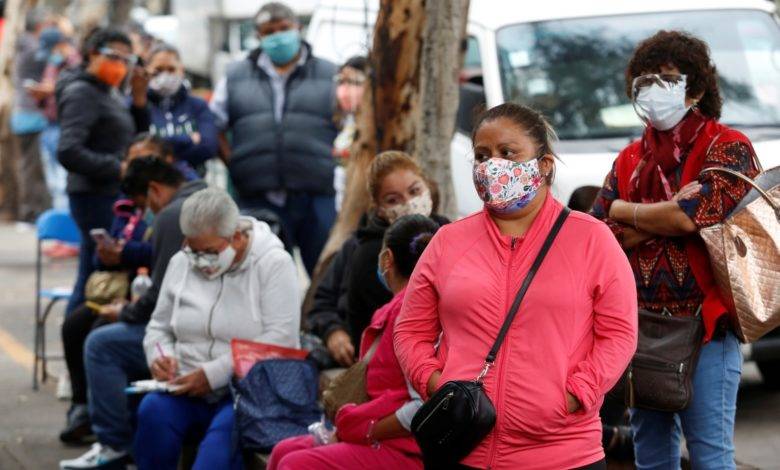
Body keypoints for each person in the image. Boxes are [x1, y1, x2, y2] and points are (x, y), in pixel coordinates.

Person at [394, 103, 638, 469]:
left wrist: (574, 394)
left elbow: (619, 334)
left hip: (565, 455)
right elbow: (410, 331)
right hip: (464, 449)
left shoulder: (591, 239)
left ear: (544, 165)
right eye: (482, 155)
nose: (493, 165)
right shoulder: (448, 242)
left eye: (508, 152)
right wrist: (435, 383)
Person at [590, 31, 760, 470]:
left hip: (706, 326)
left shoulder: (728, 147)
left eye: (665, 79)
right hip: (640, 328)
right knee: (651, 456)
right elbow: (601, 232)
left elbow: (691, 216)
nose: (652, 91)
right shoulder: (630, 158)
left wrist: (628, 212)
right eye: (643, 81)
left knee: (710, 455)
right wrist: (660, 215)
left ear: (697, 89)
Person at [133, 188, 300, 470]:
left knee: (215, 459)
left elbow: (280, 341)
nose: (200, 261)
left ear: (236, 236)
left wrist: (213, 375)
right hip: (186, 386)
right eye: (193, 249)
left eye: (209, 252)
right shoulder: (181, 262)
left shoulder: (273, 264)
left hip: (247, 394)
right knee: (152, 413)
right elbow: (159, 327)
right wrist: (160, 356)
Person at [60, 158, 207, 470]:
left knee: (100, 343)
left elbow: (162, 297)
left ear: (154, 190)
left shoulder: (173, 214)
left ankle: (112, 443)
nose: (145, 214)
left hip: (187, 334)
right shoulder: (206, 197)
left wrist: (125, 311)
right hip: (197, 328)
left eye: (144, 205)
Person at [269, 214, 441, 470]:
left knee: (295, 464)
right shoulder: (396, 309)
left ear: (386, 260)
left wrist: (367, 429)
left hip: (408, 449)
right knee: (284, 450)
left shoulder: (415, 314)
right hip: (381, 433)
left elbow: (423, 405)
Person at [209, 1, 339, 275]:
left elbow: (348, 124)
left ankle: (318, 320)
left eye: (284, 28)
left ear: (298, 28)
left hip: (314, 194)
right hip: (257, 196)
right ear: (258, 37)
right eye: (270, 31)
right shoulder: (235, 75)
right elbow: (214, 125)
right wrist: (235, 163)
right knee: (263, 275)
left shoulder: (330, 74)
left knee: (326, 274)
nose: (278, 36)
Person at [307, 151, 448, 367]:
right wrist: (333, 331)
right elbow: (322, 303)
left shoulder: (447, 234)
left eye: (414, 191)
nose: (409, 203)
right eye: (393, 200)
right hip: (378, 362)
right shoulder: (361, 251)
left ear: (426, 186)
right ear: (379, 208)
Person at [56, 28, 138, 315]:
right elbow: (68, 150)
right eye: (114, 56)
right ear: (93, 54)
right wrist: (117, 168)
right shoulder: (82, 92)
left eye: (127, 59)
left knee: (97, 273)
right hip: (94, 196)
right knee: (94, 275)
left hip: (111, 193)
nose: (121, 64)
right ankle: (77, 344)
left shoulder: (109, 92)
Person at [130, 43, 218, 173]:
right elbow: (135, 149)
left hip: (192, 183)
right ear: (148, 70)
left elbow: (208, 148)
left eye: (171, 69)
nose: (165, 75)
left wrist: (154, 144)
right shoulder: (138, 106)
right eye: (158, 70)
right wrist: (187, 138)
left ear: (181, 70)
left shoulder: (198, 105)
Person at [10, 11, 54, 221]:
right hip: (32, 115)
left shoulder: (22, 46)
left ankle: (30, 211)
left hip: (23, 114)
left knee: (28, 167)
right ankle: (31, 213)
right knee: (32, 169)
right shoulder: (33, 48)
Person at [332, 56, 368, 212]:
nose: (346, 90)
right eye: (341, 81)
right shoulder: (345, 121)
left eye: (355, 83)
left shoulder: (376, 129)